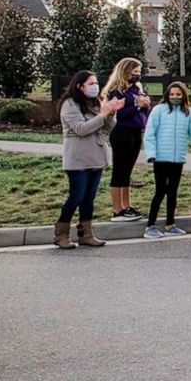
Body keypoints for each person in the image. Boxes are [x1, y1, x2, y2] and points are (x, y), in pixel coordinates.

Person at [55, 71, 123, 249]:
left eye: (96, 83)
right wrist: (102, 115)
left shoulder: (95, 103)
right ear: (80, 86)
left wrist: (111, 112)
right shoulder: (70, 104)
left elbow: (110, 128)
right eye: (91, 83)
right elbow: (80, 128)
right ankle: (61, 233)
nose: (95, 87)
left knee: (89, 198)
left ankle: (86, 233)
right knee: (76, 196)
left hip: (96, 156)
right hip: (78, 158)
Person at [142, 82, 191, 239]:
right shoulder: (159, 110)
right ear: (167, 95)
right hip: (160, 158)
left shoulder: (188, 113)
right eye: (172, 94)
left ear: (183, 96)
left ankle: (170, 223)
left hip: (178, 158)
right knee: (160, 191)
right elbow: (150, 133)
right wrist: (151, 153)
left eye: (178, 95)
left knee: (173, 191)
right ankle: (150, 225)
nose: (175, 97)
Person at [102, 58, 151, 222]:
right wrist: (136, 105)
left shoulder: (136, 89)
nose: (137, 75)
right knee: (119, 170)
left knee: (128, 171)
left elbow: (143, 113)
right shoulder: (117, 91)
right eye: (134, 72)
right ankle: (117, 209)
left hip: (136, 131)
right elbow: (120, 114)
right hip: (122, 131)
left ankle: (127, 206)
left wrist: (144, 105)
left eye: (139, 72)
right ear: (125, 72)